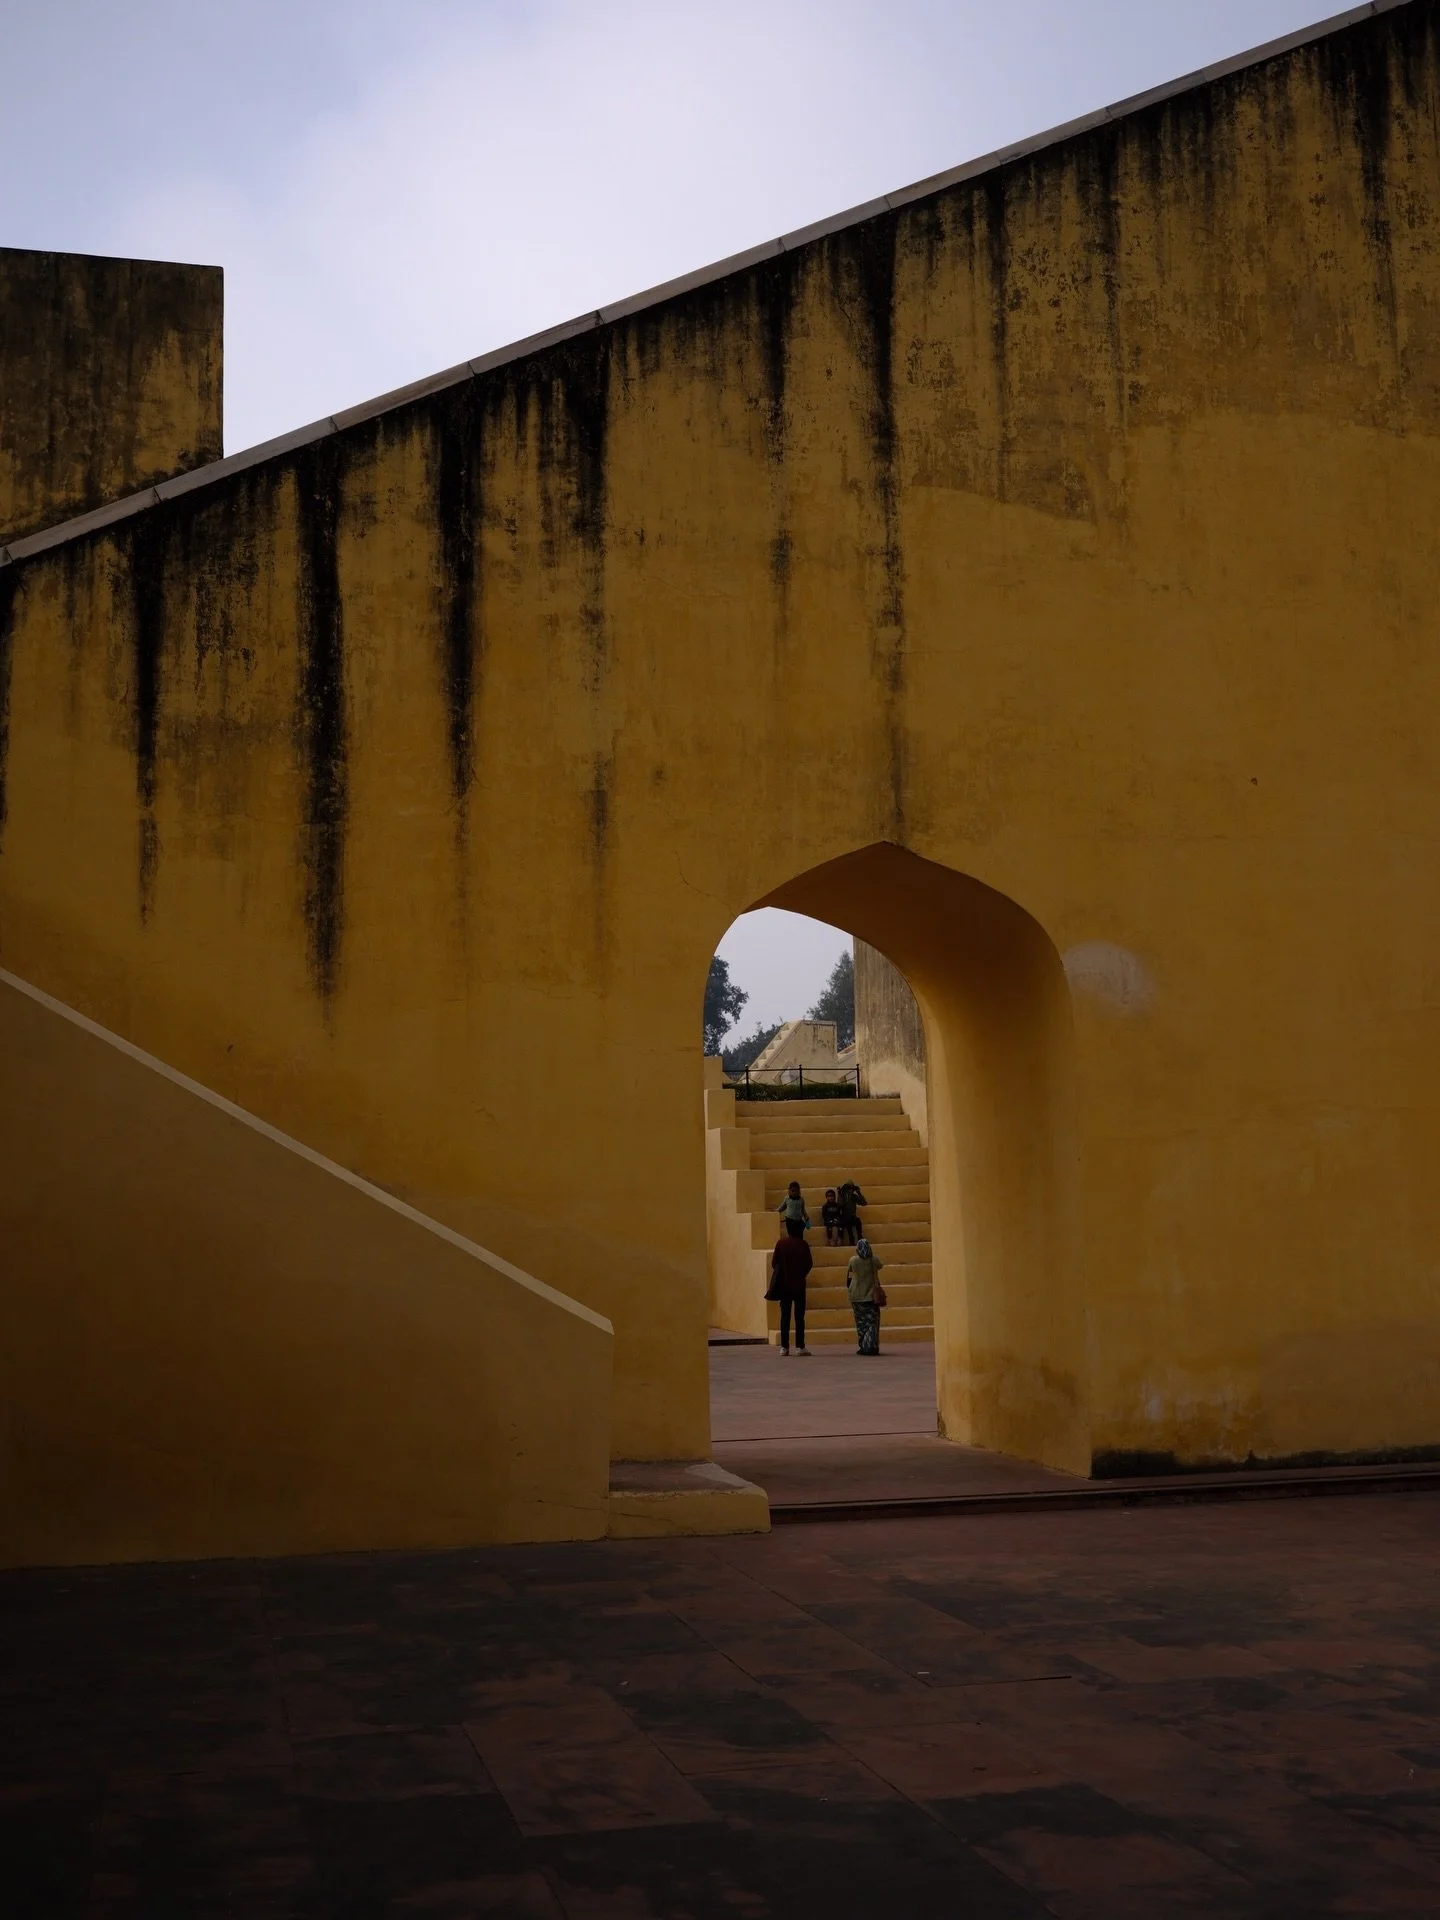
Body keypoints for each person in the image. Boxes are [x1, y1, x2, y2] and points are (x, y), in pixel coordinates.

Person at [769, 1218, 813, 1355]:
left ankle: (784, 1347)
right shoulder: (803, 1244)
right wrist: (801, 1274)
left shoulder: (781, 1244)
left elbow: (774, 1263)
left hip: (784, 1285)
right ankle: (800, 1346)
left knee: (785, 1316)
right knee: (799, 1317)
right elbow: (809, 1264)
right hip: (799, 1285)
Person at [846, 1235, 885, 1355]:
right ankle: (872, 1346)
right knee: (872, 1322)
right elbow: (880, 1266)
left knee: (860, 1322)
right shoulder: (874, 1259)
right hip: (871, 1296)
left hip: (856, 1296)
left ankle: (863, 1346)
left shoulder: (853, 1260)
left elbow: (850, 1270)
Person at [837, 1178, 869, 1246]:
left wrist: (859, 1193)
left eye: (851, 1188)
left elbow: (864, 1203)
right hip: (844, 1217)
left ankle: (860, 1238)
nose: (850, 1190)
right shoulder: (842, 1196)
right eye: (848, 1188)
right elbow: (840, 1204)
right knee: (848, 1225)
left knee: (858, 1221)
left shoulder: (854, 1197)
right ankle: (852, 1241)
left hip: (852, 1217)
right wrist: (839, 1194)